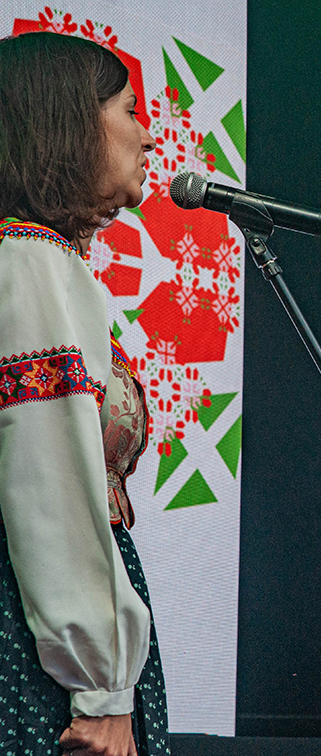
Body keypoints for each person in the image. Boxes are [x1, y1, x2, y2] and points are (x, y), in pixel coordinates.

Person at [0, 32, 168, 756]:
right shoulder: (30, 259)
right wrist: (101, 689)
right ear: (69, 121)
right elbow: (50, 482)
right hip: (43, 656)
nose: (147, 135)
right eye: (129, 109)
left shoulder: (34, 259)